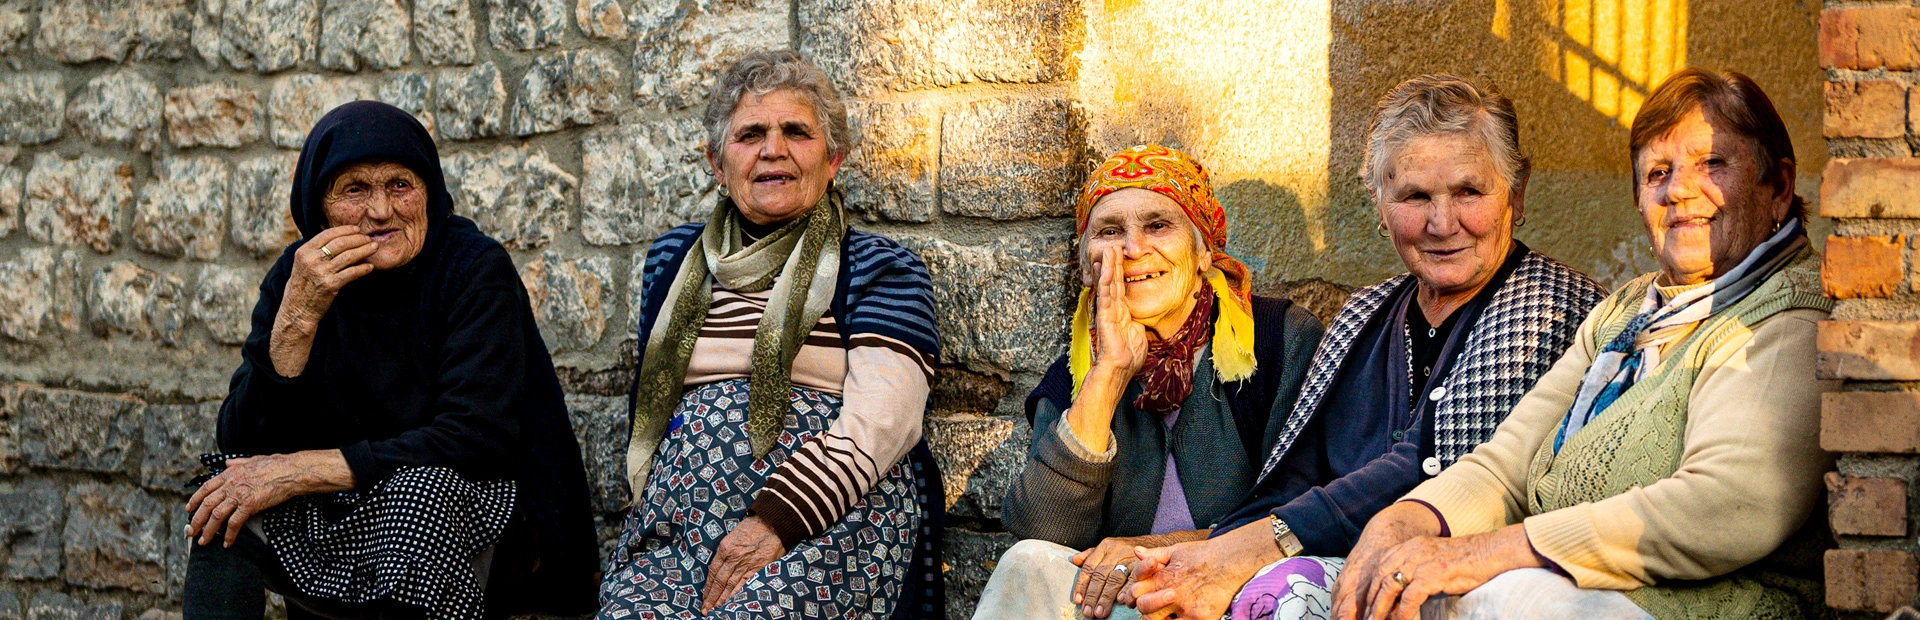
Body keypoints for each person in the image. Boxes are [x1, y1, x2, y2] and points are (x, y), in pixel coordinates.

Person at [1330, 68, 1835, 620]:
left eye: (1712, 164)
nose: (1680, 191)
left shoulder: (1787, 313)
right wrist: (1398, 526)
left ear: (1779, 186)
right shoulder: (1629, 311)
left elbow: (1730, 505)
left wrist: (1492, 553)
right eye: (1658, 173)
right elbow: (1506, 467)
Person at [1117, 74, 1608, 620]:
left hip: (1457, 586)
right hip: (1315, 568)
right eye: (1415, 196)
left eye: (1469, 192)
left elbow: (1431, 466)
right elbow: (1293, 478)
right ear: (1379, 203)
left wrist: (1241, 555)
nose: (1443, 223)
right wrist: (1189, 555)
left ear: (1516, 193)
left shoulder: (1555, 305)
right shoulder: (1365, 312)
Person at [183, 101, 600, 619]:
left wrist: (299, 471)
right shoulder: (300, 276)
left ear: (429, 192)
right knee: (223, 500)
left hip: (476, 510)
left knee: (416, 495)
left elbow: (474, 437)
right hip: (349, 503)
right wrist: (297, 320)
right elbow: (243, 443)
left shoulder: (472, 271)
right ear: (319, 208)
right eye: (355, 190)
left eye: (399, 186)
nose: (381, 211)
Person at [598, 49, 944, 619]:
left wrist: (776, 521)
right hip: (680, 528)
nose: (772, 149)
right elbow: (653, 406)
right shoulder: (673, 260)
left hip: (823, 525)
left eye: (796, 132)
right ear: (717, 163)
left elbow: (888, 420)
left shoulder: (879, 267)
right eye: (750, 133)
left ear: (833, 160)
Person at [973, 144, 1327, 619]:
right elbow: (1041, 531)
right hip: (1132, 601)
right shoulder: (1079, 372)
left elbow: (1305, 507)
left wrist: (1164, 548)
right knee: (1026, 563)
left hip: (1243, 589)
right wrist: (1110, 374)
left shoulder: (1277, 339)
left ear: (1204, 251)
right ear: (1086, 265)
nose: (1133, 249)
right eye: (1110, 231)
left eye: (1158, 225)